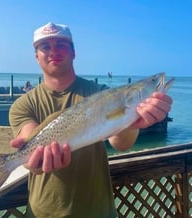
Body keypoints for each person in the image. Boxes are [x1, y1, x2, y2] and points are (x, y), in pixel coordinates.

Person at [9, 22, 173, 218]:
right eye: (45, 46)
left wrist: (132, 122)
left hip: (99, 211)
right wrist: (30, 161)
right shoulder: (22, 105)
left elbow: (121, 144)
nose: (54, 51)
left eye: (61, 44)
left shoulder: (101, 93)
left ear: (73, 52)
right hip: (43, 212)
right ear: (36, 56)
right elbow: (30, 147)